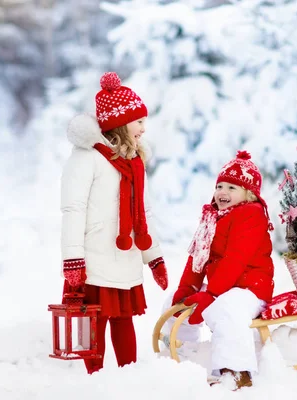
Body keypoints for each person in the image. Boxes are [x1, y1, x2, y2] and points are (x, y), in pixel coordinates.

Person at [61, 72, 168, 374]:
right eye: (139, 122)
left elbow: (143, 212)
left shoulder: (135, 163)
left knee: (124, 320)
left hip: (125, 255)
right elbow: (73, 209)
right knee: (94, 321)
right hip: (94, 257)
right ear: (122, 124)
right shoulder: (87, 158)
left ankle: (129, 380)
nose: (143, 129)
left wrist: (154, 257)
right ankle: (94, 381)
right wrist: (73, 260)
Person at [166, 150, 275, 390]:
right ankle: (183, 353)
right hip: (224, 286)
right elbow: (198, 257)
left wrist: (211, 294)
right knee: (174, 303)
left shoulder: (251, 215)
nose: (222, 192)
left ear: (248, 193)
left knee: (228, 310)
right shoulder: (212, 217)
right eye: (220, 186)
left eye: (232, 188)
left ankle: (236, 371)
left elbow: (235, 259)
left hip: (250, 289)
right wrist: (188, 288)